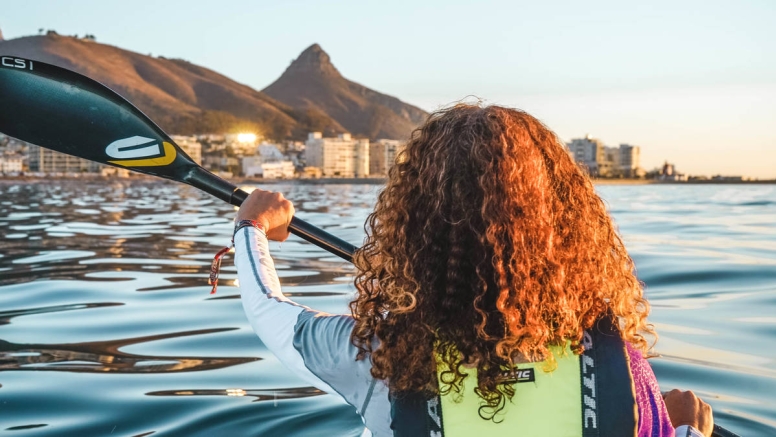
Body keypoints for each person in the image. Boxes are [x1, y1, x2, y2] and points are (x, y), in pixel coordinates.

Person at [232, 104, 714, 436]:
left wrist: (251, 226)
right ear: (565, 227)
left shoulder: (375, 358)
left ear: (413, 227)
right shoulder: (624, 373)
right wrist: (685, 429)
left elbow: (266, 310)